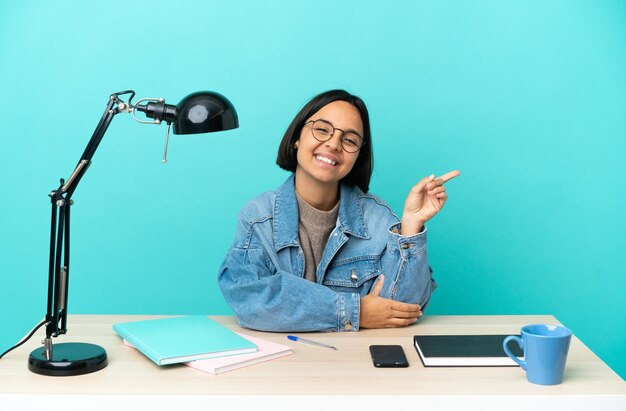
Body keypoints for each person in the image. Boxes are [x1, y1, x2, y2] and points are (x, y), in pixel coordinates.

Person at [218, 90, 459, 332]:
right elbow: (250, 300)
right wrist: (356, 311)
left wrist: (410, 226)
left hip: (356, 361)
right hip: (281, 362)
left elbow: (403, 310)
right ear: (297, 138)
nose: (333, 144)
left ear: (358, 156)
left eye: (350, 140)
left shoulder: (378, 219)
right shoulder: (259, 217)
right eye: (322, 129)